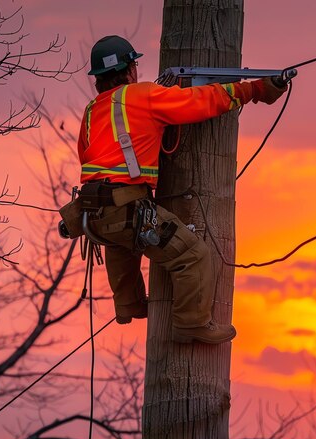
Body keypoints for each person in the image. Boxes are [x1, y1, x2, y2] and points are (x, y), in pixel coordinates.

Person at [64, 35, 286, 344]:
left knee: (119, 239)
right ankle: (192, 325)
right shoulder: (142, 95)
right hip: (124, 204)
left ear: (98, 80)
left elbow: (87, 156)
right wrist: (256, 89)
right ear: (130, 70)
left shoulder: (91, 111)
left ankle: (129, 304)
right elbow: (199, 101)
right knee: (192, 256)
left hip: (92, 212)